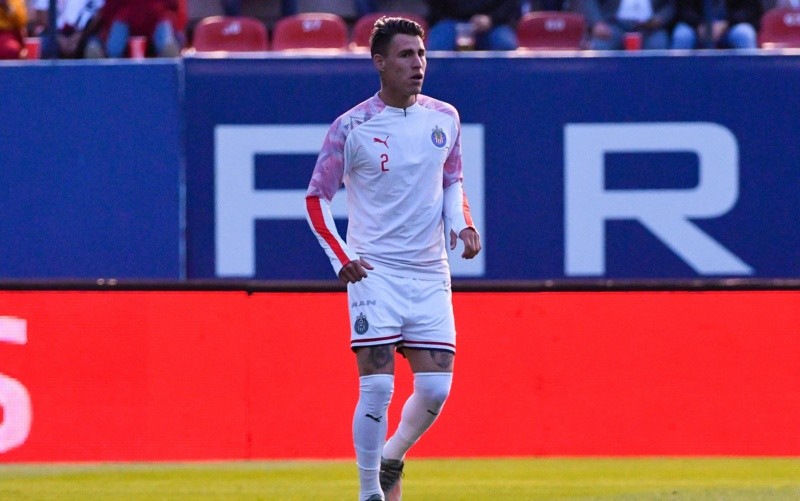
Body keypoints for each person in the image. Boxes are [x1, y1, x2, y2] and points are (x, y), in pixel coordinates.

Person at [305, 16, 480, 501]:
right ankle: (369, 493)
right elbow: (317, 197)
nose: (418, 64)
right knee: (378, 388)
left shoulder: (445, 118)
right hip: (374, 271)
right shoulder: (352, 127)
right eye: (406, 55)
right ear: (379, 62)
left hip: (429, 271)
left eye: (421, 54)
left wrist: (462, 223)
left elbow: (452, 181)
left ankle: (392, 455)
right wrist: (341, 255)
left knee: (436, 389)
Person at [86, 0, 182, 58]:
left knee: (166, 44)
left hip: (157, 19)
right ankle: (108, 72)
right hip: (122, 20)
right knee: (113, 48)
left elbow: (174, 8)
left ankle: (174, 69)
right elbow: (109, 9)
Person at [424, 0, 520, 50]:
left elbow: (510, 4)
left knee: (505, 46)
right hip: (451, 21)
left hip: (492, 24)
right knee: (436, 50)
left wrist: (491, 19)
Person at [582, 0, 675, 49]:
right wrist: (596, 22)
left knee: (658, 46)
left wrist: (660, 18)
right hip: (613, 25)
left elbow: (671, 5)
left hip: (651, 28)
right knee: (599, 47)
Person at [31, 0, 104, 58]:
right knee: (40, 48)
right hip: (53, 33)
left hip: (83, 34)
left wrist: (78, 36)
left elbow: (97, 13)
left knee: (93, 48)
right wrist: (59, 38)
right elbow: (41, 14)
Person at [670, 0, 758, 48]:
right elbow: (684, 9)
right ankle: (676, 75)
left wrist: (725, 24)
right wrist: (698, 25)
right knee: (682, 36)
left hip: (730, 26)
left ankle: (750, 75)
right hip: (697, 26)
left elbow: (750, 9)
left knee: (744, 34)